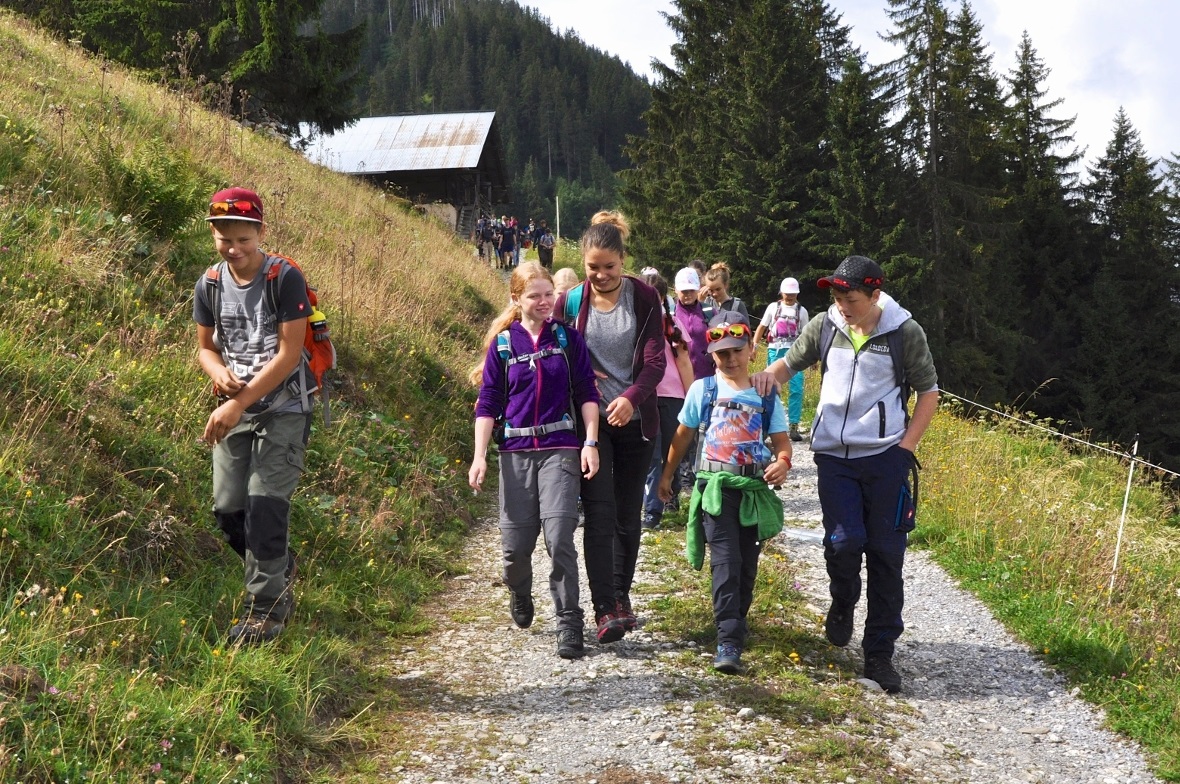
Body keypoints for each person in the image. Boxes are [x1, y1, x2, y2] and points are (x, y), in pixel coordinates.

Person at [753, 255, 938, 693]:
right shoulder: (824, 324)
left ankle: (879, 654)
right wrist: (759, 381)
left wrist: (903, 451)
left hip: (885, 459)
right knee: (842, 541)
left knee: (886, 556)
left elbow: (929, 393)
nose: (842, 306)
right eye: (837, 297)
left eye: (850, 298)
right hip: (834, 458)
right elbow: (788, 365)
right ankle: (843, 599)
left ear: (875, 295)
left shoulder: (904, 333)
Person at [192, 187, 311, 645]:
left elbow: (288, 354)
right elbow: (205, 348)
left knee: (265, 507)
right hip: (235, 406)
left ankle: (264, 614)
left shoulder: (285, 278)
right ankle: (279, 568)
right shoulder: (211, 283)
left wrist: (237, 402)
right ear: (214, 235)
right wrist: (219, 372)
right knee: (228, 511)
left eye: (243, 239)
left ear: (260, 232)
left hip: (284, 408)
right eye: (225, 240)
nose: (234, 249)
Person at [469, 262, 601, 659]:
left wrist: (590, 441)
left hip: (561, 449)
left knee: (560, 537)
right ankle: (520, 590)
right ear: (516, 299)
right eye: (535, 295)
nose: (545, 302)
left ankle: (569, 620)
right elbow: (488, 403)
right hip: (515, 455)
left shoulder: (567, 339)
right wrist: (479, 457)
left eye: (549, 294)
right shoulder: (504, 345)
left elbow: (586, 393)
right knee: (514, 549)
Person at [658, 310, 791, 674]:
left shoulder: (766, 394)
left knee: (747, 565)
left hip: (751, 490)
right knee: (726, 561)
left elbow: (781, 443)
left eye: (736, 351)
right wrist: (667, 476)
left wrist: (782, 462)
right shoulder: (704, 390)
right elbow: (683, 435)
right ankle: (728, 638)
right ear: (711, 355)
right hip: (715, 489)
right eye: (721, 353)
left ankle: (737, 622)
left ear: (751, 349)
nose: (730, 360)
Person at [555, 211, 665, 644]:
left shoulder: (644, 298)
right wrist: (579, 374)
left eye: (609, 267)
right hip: (591, 425)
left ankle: (621, 597)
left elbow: (655, 361)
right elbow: (555, 351)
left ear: (623, 261)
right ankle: (604, 609)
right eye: (593, 268)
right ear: (583, 264)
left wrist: (629, 397)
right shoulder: (572, 302)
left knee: (626, 515)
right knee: (599, 516)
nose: (601, 275)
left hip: (637, 421)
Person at [638, 268, 694, 529]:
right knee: (650, 454)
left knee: (670, 453)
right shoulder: (633, 324)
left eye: (655, 297)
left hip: (672, 396)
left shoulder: (672, 325)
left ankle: (665, 497)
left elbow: (683, 362)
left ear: (662, 299)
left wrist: (693, 397)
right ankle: (652, 510)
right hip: (643, 396)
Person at [753, 277, 810, 442]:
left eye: (793, 294)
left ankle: (793, 426)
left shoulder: (802, 311)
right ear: (781, 292)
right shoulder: (773, 308)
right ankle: (768, 425)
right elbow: (762, 327)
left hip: (796, 353)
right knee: (769, 389)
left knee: (797, 389)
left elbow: (806, 335)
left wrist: (811, 358)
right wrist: (754, 346)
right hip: (774, 351)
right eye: (787, 293)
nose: (790, 297)